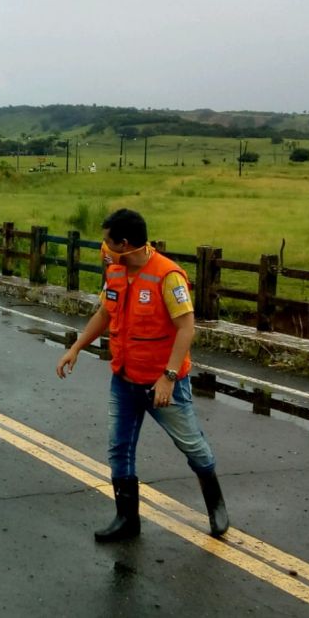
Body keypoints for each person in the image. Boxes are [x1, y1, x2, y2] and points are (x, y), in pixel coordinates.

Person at [56, 208, 228, 541]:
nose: (104, 248)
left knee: (193, 447)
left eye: (108, 241)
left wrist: (168, 376)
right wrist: (76, 347)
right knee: (119, 449)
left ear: (125, 243)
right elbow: (105, 313)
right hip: (124, 379)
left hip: (163, 384)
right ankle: (126, 519)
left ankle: (216, 505)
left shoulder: (167, 277)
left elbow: (186, 328)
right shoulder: (117, 273)